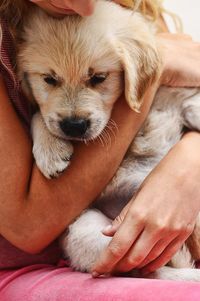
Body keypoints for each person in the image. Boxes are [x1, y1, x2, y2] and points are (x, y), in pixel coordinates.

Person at [1, 0, 200, 300]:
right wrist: (161, 62)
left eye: (97, 79)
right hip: (50, 261)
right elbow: (31, 227)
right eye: (50, 81)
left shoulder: (127, 18)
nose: (81, 5)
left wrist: (188, 165)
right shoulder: (16, 42)